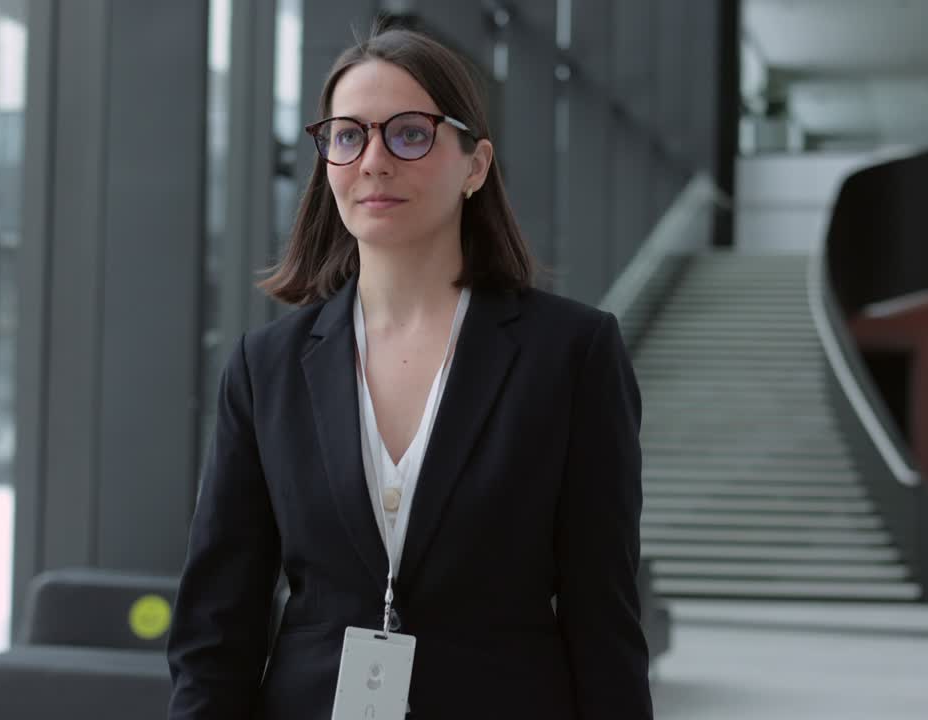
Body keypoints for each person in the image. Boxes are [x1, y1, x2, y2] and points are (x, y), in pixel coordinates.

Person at [166, 24, 651, 720]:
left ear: (475, 165)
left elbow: (604, 617)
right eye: (347, 135)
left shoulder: (571, 355)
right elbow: (216, 625)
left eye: (410, 134)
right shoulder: (264, 368)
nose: (373, 161)